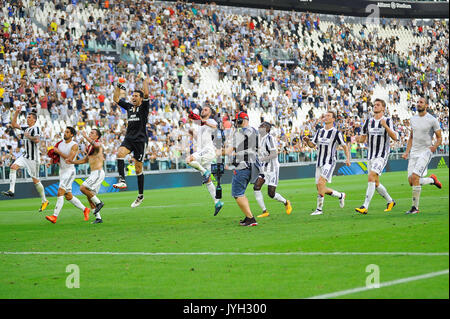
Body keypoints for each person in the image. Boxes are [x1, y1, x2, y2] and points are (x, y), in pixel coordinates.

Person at [112, 75, 150, 208]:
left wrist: (145, 80)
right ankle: (122, 180)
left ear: (140, 98)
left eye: (136, 96)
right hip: (129, 138)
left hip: (140, 141)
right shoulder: (129, 107)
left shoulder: (144, 107)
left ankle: (140, 196)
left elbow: (146, 93)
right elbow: (116, 98)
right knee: (120, 153)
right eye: (132, 95)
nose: (133, 97)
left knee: (138, 168)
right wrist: (118, 85)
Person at [2, 105, 49, 212]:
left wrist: (28, 136)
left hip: (33, 159)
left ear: (34, 120)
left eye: (29, 117)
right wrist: (17, 112)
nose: (27, 119)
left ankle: (44, 200)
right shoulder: (26, 128)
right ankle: (11, 190)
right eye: (27, 117)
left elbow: (37, 140)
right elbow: (14, 124)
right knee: (13, 167)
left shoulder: (35, 128)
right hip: (25, 156)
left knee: (35, 180)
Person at [354, 98, 398, 214]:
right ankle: (390, 201)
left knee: (371, 176)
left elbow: (395, 137)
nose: (375, 106)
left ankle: (365, 206)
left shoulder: (387, 120)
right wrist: (358, 139)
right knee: (376, 183)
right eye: (374, 105)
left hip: (381, 155)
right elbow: (363, 138)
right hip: (370, 155)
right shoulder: (368, 122)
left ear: (383, 108)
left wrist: (386, 126)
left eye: (378, 105)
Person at [303, 111, 350, 215]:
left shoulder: (336, 133)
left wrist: (348, 159)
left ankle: (319, 209)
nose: (326, 117)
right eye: (325, 116)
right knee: (320, 188)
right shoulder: (320, 131)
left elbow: (345, 146)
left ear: (333, 119)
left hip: (329, 162)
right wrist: (307, 141)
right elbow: (312, 145)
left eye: (328, 116)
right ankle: (340, 195)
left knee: (320, 183)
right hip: (319, 162)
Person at [402, 97, 442, 214]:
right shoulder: (413, 119)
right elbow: (411, 137)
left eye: (421, 102)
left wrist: (434, 147)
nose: (418, 104)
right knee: (411, 181)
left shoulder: (432, 120)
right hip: (413, 153)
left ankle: (415, 208)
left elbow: (439, 137)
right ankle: (431, 180)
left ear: (426, 105)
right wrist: (406, 152)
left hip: (425, 152)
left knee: (415, 177)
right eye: (418, 102)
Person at [45, 127, 90, 224]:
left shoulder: (74, 145)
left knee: (60, 192)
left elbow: (70, 159)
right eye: (65, 132)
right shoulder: (60, 143)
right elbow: (55, 156)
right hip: (62, 171)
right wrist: (51, 162)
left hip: (69, 171)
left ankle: (54, 216)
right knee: (68, 196)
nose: (65, 133)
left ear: (72, 135)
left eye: (67, 132)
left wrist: (59, 152)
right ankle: (85, 209)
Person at [187, 105, 224, 215]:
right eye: (202, 109)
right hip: (203, 151)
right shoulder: (200, 125)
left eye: (206, 109)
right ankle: (217, 202)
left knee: (188, 160)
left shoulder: (210, 120)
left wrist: (204, 122)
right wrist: (192, 133)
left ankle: (205, 172)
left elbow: (215, 127)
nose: (203, 110)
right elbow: (199, 140)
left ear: (210, 113)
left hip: (208, 150)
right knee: (207, 180)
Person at [223, 111, 259, 226]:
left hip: (243, 166)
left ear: (241, 120)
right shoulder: (255, 131)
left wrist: (216, 152)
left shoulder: (239, 133)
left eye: (237, 121)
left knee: (237, 193)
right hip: (253, 165)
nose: (236, 123)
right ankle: (248, 217)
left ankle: (251, 219)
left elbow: (229, 151)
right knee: (241, 193)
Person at [253, 121, 292, 218]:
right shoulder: (259, 139)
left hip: (272, 168)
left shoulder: (269, 138)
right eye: (260, 125)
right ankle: (264, 211)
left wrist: (261, 159)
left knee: (271, 193)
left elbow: (274, 154)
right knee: (256, 187)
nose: (260, 127)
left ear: (268, 129)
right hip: (263, 168)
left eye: (263, 126)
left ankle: (286, 202)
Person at [68, 129, 105, 224]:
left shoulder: (97, 143)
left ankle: (99, 203)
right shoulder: (90, 147)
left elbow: (96, 145)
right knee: (89, 196)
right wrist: (72, 162)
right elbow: (85, 160)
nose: (90, 134)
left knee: (83, 187)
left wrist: (85, 137)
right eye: (90, 132)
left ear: (97, 136)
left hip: (98, 172)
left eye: (92, 133)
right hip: (93, 173)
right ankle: (98, 218)